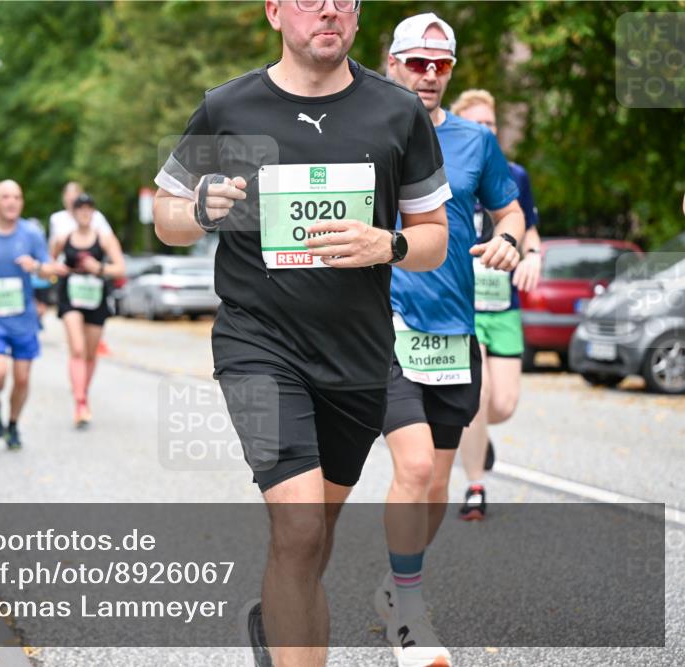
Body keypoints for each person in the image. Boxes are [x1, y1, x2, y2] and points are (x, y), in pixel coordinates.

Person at [152, 1, 451, 665]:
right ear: (274, 12)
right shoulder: (229, 108)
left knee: (312, 541)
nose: (329, 9)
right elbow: (165, 213)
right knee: (299, 523)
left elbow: (434, 238)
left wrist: (390, 242)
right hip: (257, 345)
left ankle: (275, 618)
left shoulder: (396, 112)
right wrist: (199, 207)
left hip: (357, 358)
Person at [375, 14, 526, 666]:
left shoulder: (474, 142)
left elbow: (509, 206)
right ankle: (409, 613)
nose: (429, 74)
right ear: (392, 63)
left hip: (453, 332)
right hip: (384, 330)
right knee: (410, 468)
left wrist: (510, 238)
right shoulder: (363, 129)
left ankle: (395, 582)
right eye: (417, 62)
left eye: (441, 64)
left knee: (434, 483)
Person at [451, 89, 542, 520]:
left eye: (491, 124)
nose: (486, 131)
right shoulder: (445, 168)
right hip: (463, 304)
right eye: (477, 124)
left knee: (502, 403)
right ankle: (475, 487)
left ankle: (477, 435)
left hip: (503, 304)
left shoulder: (514, 174)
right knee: (479, 393)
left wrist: (534, 258)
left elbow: (531, 231)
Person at [0, 180, 65, 449]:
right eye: (5, 197)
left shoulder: (31, 234)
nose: (12, 202)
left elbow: (49, 270)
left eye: (17, 197)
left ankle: (14, 425)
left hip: (23, 319)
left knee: (22, 378)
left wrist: (36, 266)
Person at [55, 193, 126, 427]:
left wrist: (99, 267)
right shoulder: (63, 238)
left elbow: (120, 269)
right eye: (80, 209)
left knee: (90, 352)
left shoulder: (104, 239)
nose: (84, 213)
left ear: (93, 212)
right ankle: (80, 402)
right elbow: (50, 263)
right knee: (77, 348)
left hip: (95, 296)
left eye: (89, 209)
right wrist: (58, 269)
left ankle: (81, 389)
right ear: (73, 213)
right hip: (71, 296)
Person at [48, 181, 114, 245]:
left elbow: (110, 240)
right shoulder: (56, 218)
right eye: (68, 195)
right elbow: (52, 245)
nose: (71, 198)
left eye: (74, 195)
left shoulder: (96, 216)